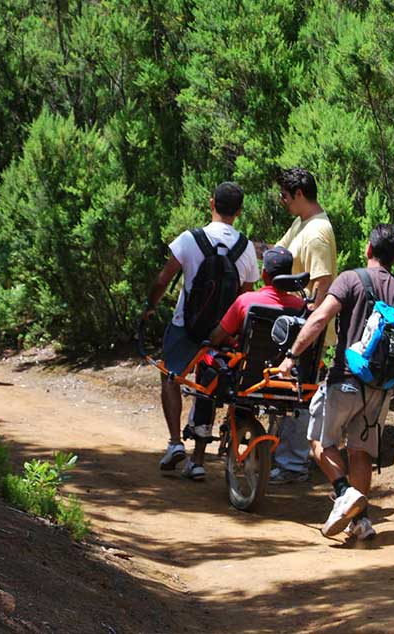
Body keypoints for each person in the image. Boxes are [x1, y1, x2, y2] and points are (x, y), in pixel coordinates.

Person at [278, 224, 394, 541]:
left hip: (345, 378)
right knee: (361, 452)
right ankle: (360, 522)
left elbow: (320, 319)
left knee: (320, 442)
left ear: (368, 249)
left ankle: (344, 492)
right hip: (381, 388)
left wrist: (292, 355)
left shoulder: (351, 279)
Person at [142, 182, 260, 478]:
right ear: (240, 211)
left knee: (170, 375)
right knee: (208, 387)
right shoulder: (246, 248)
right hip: (223, 331)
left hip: (186, 325)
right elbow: (247, 297)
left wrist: (150, 306)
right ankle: (197, 461)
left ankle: (174, 442)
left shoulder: (189, 239)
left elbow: (163, 277)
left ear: (211, 204)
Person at [169, 246, 306, 480]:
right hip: (283, 381)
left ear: (264, 275)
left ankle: (198, 458)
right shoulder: (301, 308)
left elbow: (216, 337)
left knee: (208, 361)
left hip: (245, 376)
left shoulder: (247, 301)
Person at [263, 168, 338, 485]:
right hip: (293, 323)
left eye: (284, 196)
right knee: (286, 392)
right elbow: (277, 253)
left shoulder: (318, 232)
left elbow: (322, 285)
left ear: (299, 195)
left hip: (307, 328)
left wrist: (310, 329)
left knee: (298, 395)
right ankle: (283, 457)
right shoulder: (301, 223)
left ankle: (293, 464)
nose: (281, 201)